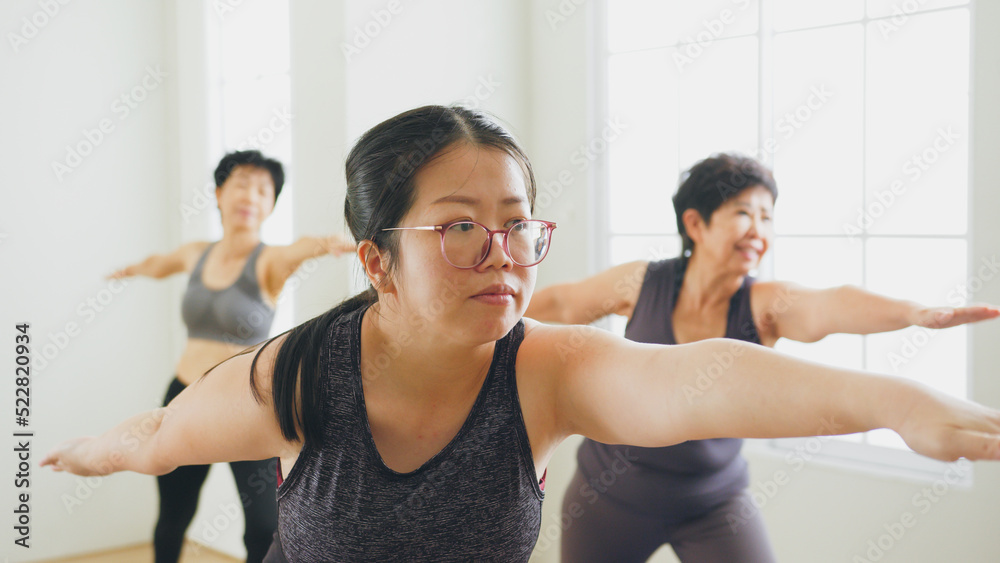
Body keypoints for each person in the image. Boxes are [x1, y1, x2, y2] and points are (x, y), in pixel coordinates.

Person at [42, 107, 1000, 562]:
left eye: (518, 225)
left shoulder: (546, 367)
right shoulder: (303, 372)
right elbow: (161, 437)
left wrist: (900, 404)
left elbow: (704, 379)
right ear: (377, 260)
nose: (502, 254)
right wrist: (83, 452)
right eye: (461, 227)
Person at [525, 153, 1000, 562]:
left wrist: (912, 313)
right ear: (696, 223)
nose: (759, 230)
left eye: (768, 217)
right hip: (610, 498)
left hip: (713, 503)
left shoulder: (763, 305)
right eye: (743, 213)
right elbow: (563, 305)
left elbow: (830, 304)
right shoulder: (642, 282)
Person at [107, 149, 355, 563]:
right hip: (182, 398)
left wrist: (325, 245)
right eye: (241, 184)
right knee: (173, 517)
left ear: (271, 205)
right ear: (220, 193)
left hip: (247, 405)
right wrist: (131, 269)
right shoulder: (196, 252)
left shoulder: (269, 261)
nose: (250, 196)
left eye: (263, 190)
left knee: (261, 527)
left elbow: (301, 248)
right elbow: (161, 263)